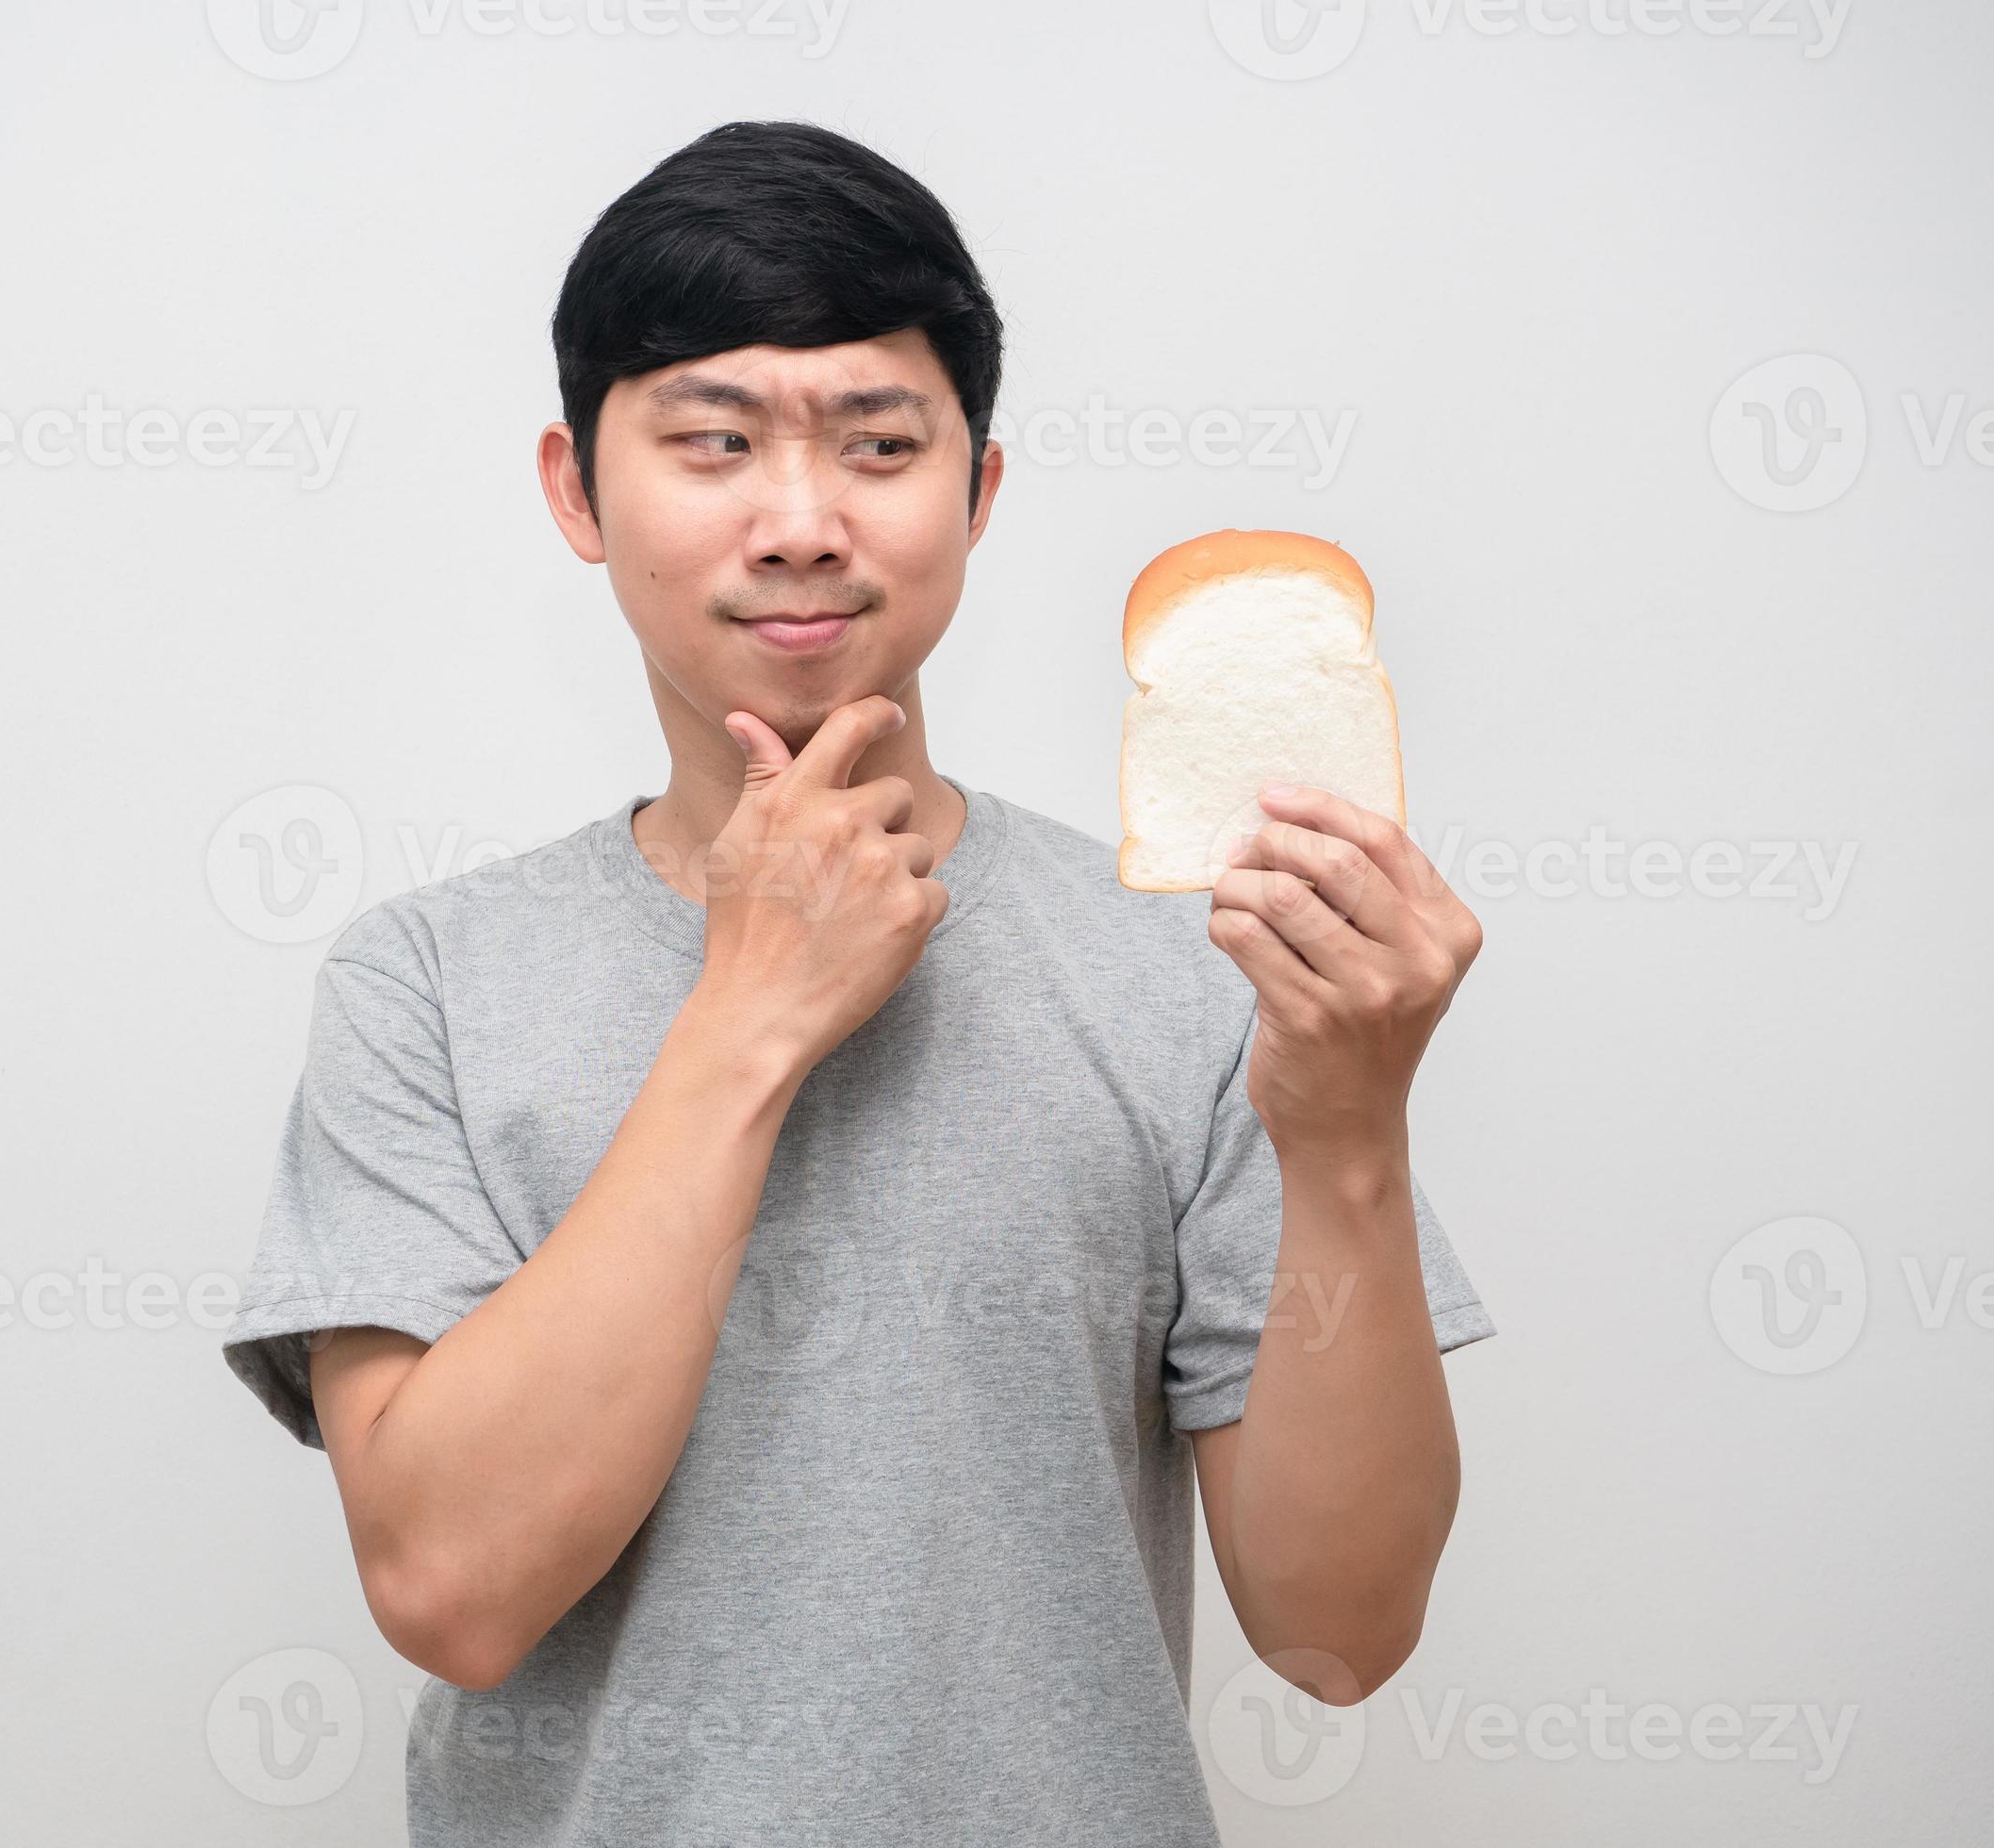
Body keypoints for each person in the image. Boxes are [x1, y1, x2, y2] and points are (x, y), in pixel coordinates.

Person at [223, 118, 1493, 1847]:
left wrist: (1347, 1133)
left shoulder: (1193, 963)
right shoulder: (425, 985)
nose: (802, 522)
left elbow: (1340, 1633)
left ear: (978, 492)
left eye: (880, 444)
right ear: (575, 490)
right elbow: (452, 1589)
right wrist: (750, 1015)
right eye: (714, 441)